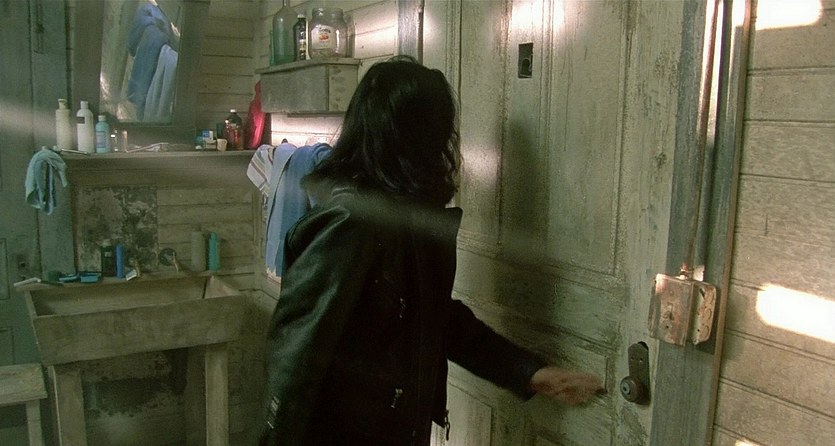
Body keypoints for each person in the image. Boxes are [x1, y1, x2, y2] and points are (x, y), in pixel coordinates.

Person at [257, 55, 603, 446]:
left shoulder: (401, 215)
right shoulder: (352, 221)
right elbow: (295, 353)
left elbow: (435, 316)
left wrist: (529, 372)